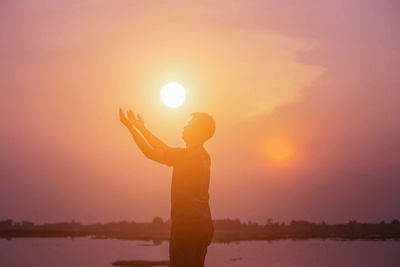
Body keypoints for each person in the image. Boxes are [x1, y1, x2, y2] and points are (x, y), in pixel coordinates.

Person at [119, 108, 215, 267]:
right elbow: (163, 149)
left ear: (198, 132)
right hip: (203, 225)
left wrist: (130, 127)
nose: (185, 126)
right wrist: (142, 128)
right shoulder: (201, 155)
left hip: (187, 226)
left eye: (190, 124)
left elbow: (150, 152)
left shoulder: (188, 156)